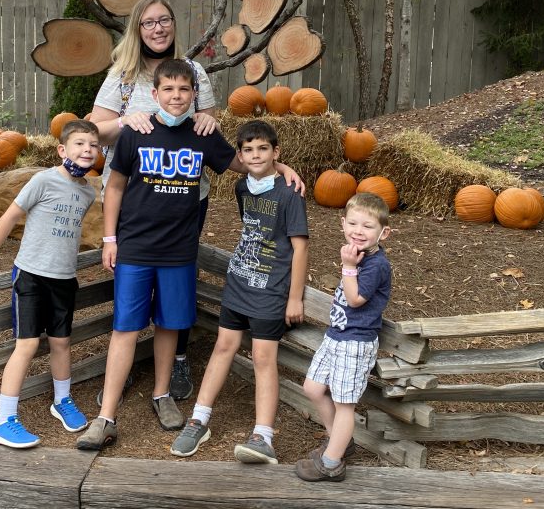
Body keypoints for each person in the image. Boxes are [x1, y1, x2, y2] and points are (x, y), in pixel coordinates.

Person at [77, 60, 302, 451]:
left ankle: (162, 395)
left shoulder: (203, 134)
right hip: (135, 246)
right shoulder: (135, 132)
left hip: (180, 249)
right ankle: (106, 416)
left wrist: (280, 165)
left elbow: (239, 162)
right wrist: (110, 238)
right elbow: (113, 188)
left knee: (169, 323)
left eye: (184, 90)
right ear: (156, 93)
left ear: (194, 94)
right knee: (125, 327)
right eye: (169, 90)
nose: (176, 97)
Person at [90, 0, 218, 400]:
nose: (158, 28)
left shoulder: (192, 70)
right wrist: (127, 120)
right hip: (135, 195)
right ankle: (124, 362)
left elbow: (209, 123)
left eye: (164, 20)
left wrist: (210, 118)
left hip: (185, 192)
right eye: (148, 23)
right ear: (137, 29)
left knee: (177, 279)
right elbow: (96, 129)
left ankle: (178, 358)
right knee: (132, 279)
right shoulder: (124, 75)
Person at [169, 119, 308, 464]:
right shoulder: (242, 188)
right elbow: (252, 229)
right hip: (239, 281)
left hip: (271, 289)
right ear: (240, 156)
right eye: (248, 150)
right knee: (223, 346)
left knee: (263, 359)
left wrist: (294, 297)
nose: (256, 155)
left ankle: (264, 436)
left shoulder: (290, 193)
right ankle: (199, 419)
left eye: (263, 149)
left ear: (276, 152)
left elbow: (300, 248)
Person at [0, 119, 101, 448]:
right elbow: (10, 216)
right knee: (26, 345)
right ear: (62, 149)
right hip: (31, 276)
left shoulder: (87, 191)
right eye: (80, 143)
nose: (87, 150)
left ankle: (62, 400)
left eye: (93, 146)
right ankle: (4, 419)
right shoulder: (43, 180)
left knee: (61, 343)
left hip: (64, 279)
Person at [295, 192, 392, 482]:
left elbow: (354, 300)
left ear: (383, 233)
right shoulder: (358, 254)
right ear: (343, 223)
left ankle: (331, 462)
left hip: (356, 341)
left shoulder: (376, 265)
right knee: (312, 388)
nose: (358, 231)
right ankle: (340, 439)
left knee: (344, 403)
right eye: (353, 223)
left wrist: (347, 266)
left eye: (368, 226)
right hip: (336, 336)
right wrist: (350, 263)